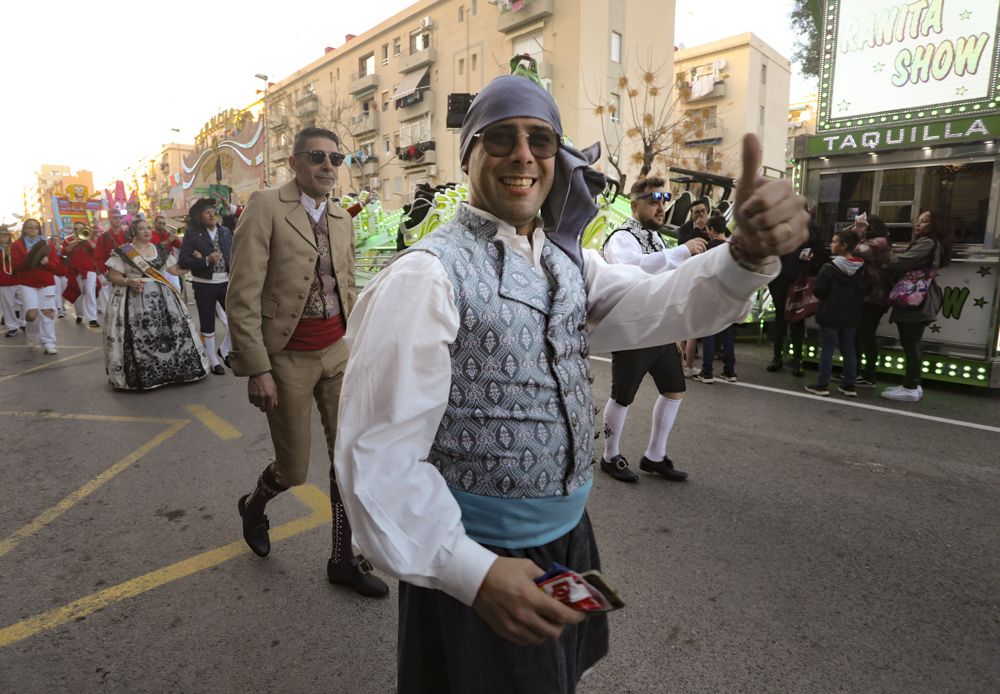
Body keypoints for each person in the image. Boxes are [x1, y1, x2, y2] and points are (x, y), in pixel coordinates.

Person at [332, 74, 808, 693]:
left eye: (541, 139)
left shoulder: (564, 261)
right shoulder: (424, 277)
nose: (523, 155)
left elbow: (655, 305)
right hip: (479, 556)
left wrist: (742, 256)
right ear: (468, 154)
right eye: (500, 138)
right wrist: (470, 571)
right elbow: (376, 458)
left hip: (565, 539)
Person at [226, 126, 388, 598]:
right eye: (317, 157)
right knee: (294, 470)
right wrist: (258, 368)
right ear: (294, 162)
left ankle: (343, 557)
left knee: (348, 459)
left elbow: (347, 286)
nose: (328, 167)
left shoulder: (342, 216)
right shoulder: (265, 207)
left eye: (336, 159)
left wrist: (359, 346)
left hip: (337, 353)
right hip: (287, 359)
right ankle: (255, 504)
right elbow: (243, 294)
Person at [598, 177, 707, 483]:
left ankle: (655, 456)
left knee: (674, 391)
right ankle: (610, 456)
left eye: (664, 201)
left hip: (661, 330)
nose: (661, 208)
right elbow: (633, 270)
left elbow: (669, 275)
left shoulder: (656, 239)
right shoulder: (621, 237)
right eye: (654, 201)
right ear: (634, 205)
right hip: (633, 330)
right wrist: (682, 252)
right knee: (623, 396)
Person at [102, 219, 208, 390]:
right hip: (133, 299)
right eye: (141, 229)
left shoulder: (161, 250)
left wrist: (198, 262)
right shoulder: (124, 251)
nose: (146, 231)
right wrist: (128, 281)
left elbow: (176, 271)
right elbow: (113, 276)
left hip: (163, 299)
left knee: (167, 334)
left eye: (148, 228)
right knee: (140, 336)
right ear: (134, 232)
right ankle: (144, 374)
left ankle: (171, 372)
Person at [880, 210, 953, 402]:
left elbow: (901, 262)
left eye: (924, 221)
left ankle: (910, 386)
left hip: (915, 298)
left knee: (910, 342)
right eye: (919, 221)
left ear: (935, 225)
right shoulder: (933, 244)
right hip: (920, 297)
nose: (917, 224)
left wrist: (886, 259)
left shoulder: (927, 243)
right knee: (912, 342)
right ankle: (912, 384)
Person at [804, 229, 867, 397]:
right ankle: (849, 385)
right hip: (852, 314)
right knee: (849, 349)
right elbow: (865, 290)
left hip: (830, 313)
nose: (831, 245)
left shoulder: (829, 268)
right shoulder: (861, 267)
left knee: (827, 349)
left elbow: (819, 290)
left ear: (843, 245)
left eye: (834, 242)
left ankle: (822, 384)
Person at [766, 220, 830, 376]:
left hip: (799, 280)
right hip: (781, 280)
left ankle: (795, 360)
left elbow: (822, 254)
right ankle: (779, 357)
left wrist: (812, 256)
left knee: (796, 320)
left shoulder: (811, 229)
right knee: (782, 320)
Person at [178, 198, 233, 375]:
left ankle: (224, 350)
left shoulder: (225, 232)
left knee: (237, 321)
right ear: (199, 217)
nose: (211, 214)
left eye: (212, 211)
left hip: (226, 282)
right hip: (204, 285)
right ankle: (213, 361)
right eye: (207, 212)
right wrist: (205, 260)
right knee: (208, 325)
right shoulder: (192, 234)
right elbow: (183, 260)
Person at [692, 215, 739, 384]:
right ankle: (730, 371)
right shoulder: (733, 248)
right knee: (727, 334)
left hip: (711, 295)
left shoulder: (709, 248)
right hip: (730, 295)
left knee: (708, 333)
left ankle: (707, 372)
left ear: (711, 230)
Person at [10, 218, 66, 354]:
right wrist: (30, 258)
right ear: (24, 229)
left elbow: (56, 265)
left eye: (35, 227)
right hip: (27, 283)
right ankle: (32, 334)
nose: (33, 229)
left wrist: (47, 263)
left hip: (46, 282)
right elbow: (16, 266)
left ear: (39, 229)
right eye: (30, 227)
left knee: (48, 312)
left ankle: (49, 342)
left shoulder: (48, 244)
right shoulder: (17, 245)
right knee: (32, 314)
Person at [852, 214, 892, 386]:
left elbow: (854, 250)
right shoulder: (875, 241)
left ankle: (868, 375)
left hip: (875, 295)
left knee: (866, 335)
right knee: (858, 334)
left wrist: (857, 231)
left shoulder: (880, 242)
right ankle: (854, 372)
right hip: (867, 294)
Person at [62, 221, 101, 327]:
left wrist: (87, 240)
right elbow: (65, 251)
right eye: (76, 229)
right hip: (75, 270)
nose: (78, 231)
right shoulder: (68, 240)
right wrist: (76, 241)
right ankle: (79, 314)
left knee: (90, 291)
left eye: (80, 229)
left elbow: (96, 249)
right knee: (78, 292)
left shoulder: (89, 238)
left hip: (89, 270)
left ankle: (92, 318)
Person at [0, 226, 25, 336]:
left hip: (19, 279)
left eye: (5, 236)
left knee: (24, 303)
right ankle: (12, 326)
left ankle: (24, 323)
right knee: (8, 305)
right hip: (4, 280)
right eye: (1, 236)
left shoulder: (15, 247)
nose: (2, 238)